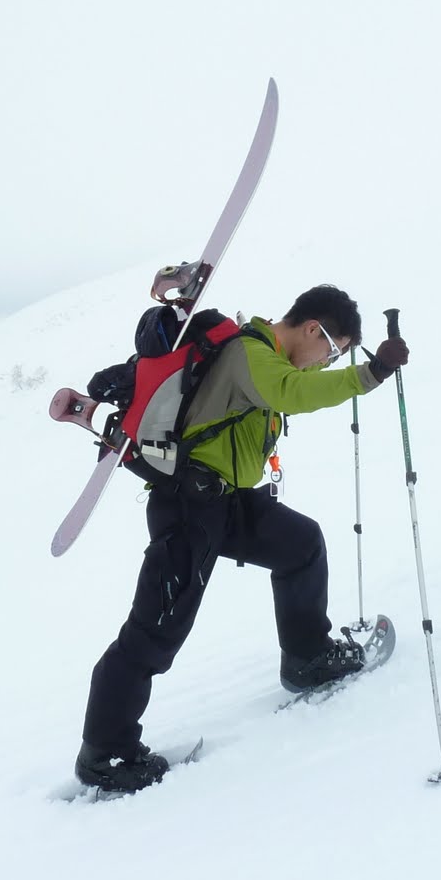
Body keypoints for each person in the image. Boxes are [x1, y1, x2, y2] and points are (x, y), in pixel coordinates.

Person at [75, 284, 410, 794]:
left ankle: (307, 658)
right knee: (156, 630)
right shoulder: (250, 354)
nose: (328, 361)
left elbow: (291, 390)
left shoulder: (266, 356)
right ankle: (105, 754)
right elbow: (291, 394)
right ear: (311, 328)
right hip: (188, 508)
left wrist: (353, 370)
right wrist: (371, 373)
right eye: (332, 349)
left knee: (301, 544)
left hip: (223, 500)